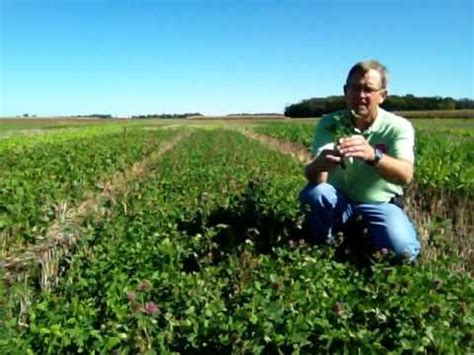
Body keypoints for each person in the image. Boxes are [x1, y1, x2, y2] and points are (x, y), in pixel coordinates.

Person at [299, 60, 420, 261]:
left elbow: (405, 175)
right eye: (355, 88)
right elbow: (313, 177)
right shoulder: (331, 123)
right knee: (315, 193)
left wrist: (374, 156)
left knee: (403, 253)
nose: (361, 96)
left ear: (382, 96)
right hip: (338, 200)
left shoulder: (398, 127)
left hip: (380, 203)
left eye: (368, 89)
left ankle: (359, 235)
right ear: (346, 91)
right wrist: (320, 164)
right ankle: (325, 246)